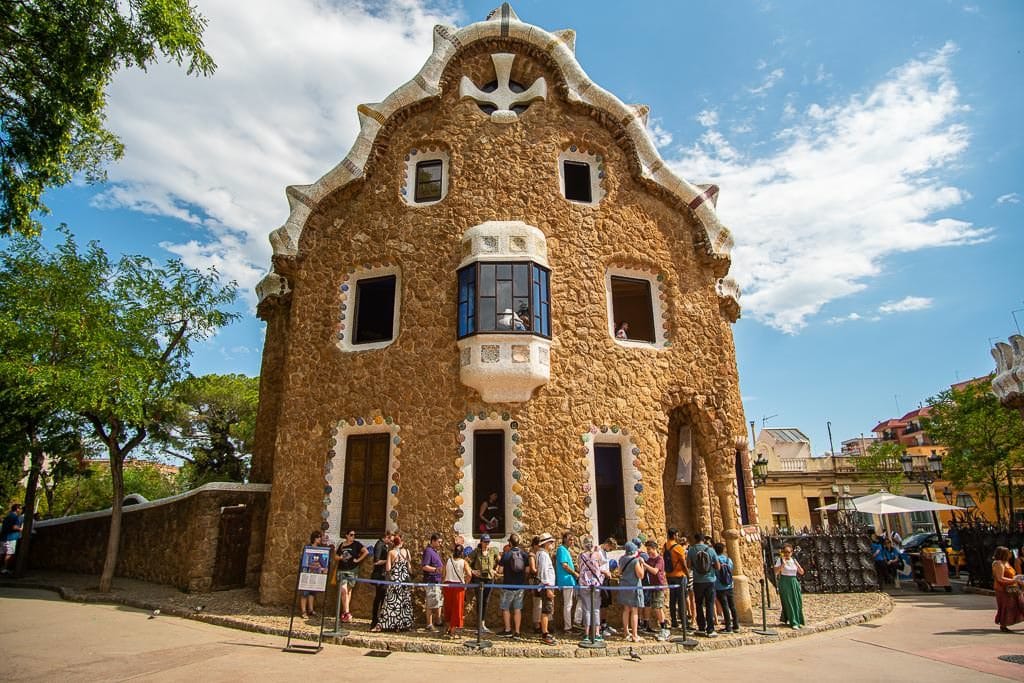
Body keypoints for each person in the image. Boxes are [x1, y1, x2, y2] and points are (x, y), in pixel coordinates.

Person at [376, 533, 413, 631]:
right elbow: (409, 567)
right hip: (404, 579)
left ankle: (390, 623)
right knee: (404, 601)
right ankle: (404, 624)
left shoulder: (391, 552)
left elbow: (388, 568)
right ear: (402, 542)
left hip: (395, 579)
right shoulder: (407, 552)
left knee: (392, 601)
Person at [687, 532, 721, 637]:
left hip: (697, 581)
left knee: (699, 604)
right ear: (704, 540)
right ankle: (710, 629)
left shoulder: (692, 550)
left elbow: (688, 565)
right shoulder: (710, 550)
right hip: (710, 580)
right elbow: (718, 566)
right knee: (710, 604)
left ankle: (701, 627)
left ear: (695, 540)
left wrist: (696, 568)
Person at [498, 533, 529, 639]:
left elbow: (500, 570)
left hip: (507, 586)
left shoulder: (506, 555)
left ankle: (507, 630)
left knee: (505, 608)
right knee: (517, 609)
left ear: (510, 543)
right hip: (520, 586)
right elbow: (528, 570)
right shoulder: (524, 555)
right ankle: (517, 632)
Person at [468, 533, 501, 632]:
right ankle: (479, 625)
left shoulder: (493, 551)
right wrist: (472, 571)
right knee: (479, 601)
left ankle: (483, 623)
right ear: (481, 542)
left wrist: (496, 570)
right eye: (485, 542)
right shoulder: (476, 552)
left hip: (489, 579)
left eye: (488, 542)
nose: (487, 544)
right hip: (479, 579)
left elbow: (500, 561)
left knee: (485, 601)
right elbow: (466, 561)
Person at [334, 529, 368, 623]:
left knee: (348, 592)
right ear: (346, 535)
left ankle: (344, 613)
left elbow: (366, 552)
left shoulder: (357, 544)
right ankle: (347, 613)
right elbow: (336, 556)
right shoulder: (342, 545)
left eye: (354, 535)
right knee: (343, 590)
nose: (353, 536)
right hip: (342, 570)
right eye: (351, 535)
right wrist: (341, 557)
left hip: (352, 570)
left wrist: (358, 560)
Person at [577, 535, 604, 641]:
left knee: (586, 609)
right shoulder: (597, 555)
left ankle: (587, 634)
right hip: (596, 584)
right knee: (596, 609)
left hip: (584, 584)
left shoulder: (581, 556)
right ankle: (597, 633)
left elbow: (580, 567)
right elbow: (601, 565)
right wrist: (596, 550)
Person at [617, 541, 646, 642]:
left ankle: (626, 632)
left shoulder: (622, 559)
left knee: (626, 610)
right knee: (634, 610)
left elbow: (619, 572)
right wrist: (642, 564)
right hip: (633, 586)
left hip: (624, 586)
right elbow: (640, 575)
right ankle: (634, 634)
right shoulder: (635, 561)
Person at [642, 539, 670, 640]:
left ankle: (663, 627)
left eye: (649, 549)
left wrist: (644, 565)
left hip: (658, 586)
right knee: (648, 605)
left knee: (658, 607)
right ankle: (646, 624)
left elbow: (654, 571)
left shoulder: (659, 560)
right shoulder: (649, 560)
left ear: (654, 549)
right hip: (651, 586)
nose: (648, 551)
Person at [993, 546, 1024, 632]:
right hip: (1003, 590)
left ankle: (1004, 625)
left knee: (1020, 604)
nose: (1010, 554)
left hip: (1013, 588)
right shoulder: (998, 563)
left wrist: (1016, 579)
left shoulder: (1006, 563)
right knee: (1006, 607)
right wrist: (1014, 580)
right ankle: (1003, 625)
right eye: (1008, 552)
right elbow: (1000, 578)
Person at [774, 543, 805, 629]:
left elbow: (801, 572)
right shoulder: (780, 560)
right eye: (785, 552)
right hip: (785, 582)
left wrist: (798, 566)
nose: (787, 554)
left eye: (789, 552)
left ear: (792, 552)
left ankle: (798, 619)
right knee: (789, 602)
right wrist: (782, 565)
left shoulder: (794, 560)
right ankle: (793, 622)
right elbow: (775, 572)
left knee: (797, 602)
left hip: (794, 582)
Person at [443, 542, 469, 638]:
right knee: (456, 609)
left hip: (448, 585)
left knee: (448, 607)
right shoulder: (463, 562)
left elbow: (443, 574)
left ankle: (447, 629)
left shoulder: (448, 561)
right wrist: (465, 584)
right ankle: (452, 632)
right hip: (458, 586)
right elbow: (469, 574)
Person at [535, 532, 558, 645]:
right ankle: (544, 633)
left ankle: (545, 631)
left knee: (546, 609)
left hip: (545, 585)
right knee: (546, 609)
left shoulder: (541, 554)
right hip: (546, 585)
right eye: (551, 542)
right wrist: (548, 588)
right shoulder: (543, 555)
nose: (552, 544)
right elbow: (543, 572)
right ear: (546, 543)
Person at [663, 528, 688, 629]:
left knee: (672, 599)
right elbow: (683, 562)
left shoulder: (665, 546)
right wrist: (687, 573)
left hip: (669, 575)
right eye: (677, 535)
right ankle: (684, 622)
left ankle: (674, 621)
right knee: (682, 599)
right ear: (674, 535)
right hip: (679, 575)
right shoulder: (678, 547)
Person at [368, 530, 393, 630]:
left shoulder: (384, 545)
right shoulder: (379, 545)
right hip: (379, 575)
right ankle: (375, 620)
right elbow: (376, 561)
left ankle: (380, 619)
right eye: (389, 538)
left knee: (382, 597)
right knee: (378, 598)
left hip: (383, 575)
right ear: (386, 537)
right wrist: (388, 560)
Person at [555, 531, 579, 634]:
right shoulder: (561, 549)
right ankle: (567, 627)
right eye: (570, 539)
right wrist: (575, 573)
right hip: (566, 580)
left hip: (569, 580)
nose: (572, 541)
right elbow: (564, 565)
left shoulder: (566, 550)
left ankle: (570, 625)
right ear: (564, 539)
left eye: (573, 539)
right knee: (568, 604)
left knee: (570, 603)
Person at [713, 542, 739, 633]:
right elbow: (731, 569)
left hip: (720, 586)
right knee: (732, 605)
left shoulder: (715, 560)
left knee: (725, 606)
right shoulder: (729, 560)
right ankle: (736, 625)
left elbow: (715, 571)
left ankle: (728, 626)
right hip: (729, 585)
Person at [421, 533, 444, 631]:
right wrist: (435, 570)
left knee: (438, 601)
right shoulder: (428, 551)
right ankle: (429, 624)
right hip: (431, 581)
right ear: (433, 541)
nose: (440, 544)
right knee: (430, 603)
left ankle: (438, 621)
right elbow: (424, 566)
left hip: (437, 581)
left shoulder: (435, 552)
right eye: (438, 542)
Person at [300, 530, 325, 618]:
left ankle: (310, 609)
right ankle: (303, 611)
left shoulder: (320, 549)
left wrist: (324, 567)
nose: (320, 539)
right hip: (307, 571)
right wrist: (312, 564)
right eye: (319, 537)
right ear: (315, 538)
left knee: (312, 591)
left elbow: (322, 560)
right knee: (305, 592)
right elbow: (305, 560)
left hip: (315, 572)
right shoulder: (308, 548)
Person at [1, 503, 24, 575]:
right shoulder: (15, 517)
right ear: (17, 509)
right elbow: (14, 527)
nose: (20, 510)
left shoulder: (8, 516)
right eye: (20, 509)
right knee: (9, 554)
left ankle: (2, 568)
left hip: (3, 537)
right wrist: (20, 529)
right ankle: (5, 569)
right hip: (11, 537)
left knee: (2, 553)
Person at [528, 535, 542, 632]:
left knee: (539, 602)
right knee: (537, 602)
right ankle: (537, 624)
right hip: (535, 581)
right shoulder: (532, 555)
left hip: (538, 580)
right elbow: (533, 569)